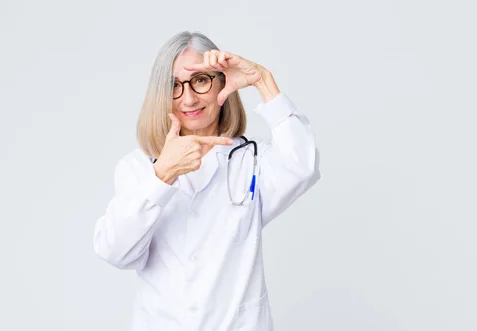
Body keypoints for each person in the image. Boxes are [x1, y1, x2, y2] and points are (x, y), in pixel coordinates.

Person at [93, 31, 321, 331]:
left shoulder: (250, 161)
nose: (188, 98)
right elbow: (116, 252)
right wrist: (162, 176)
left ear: (221, 83)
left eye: (200, 80)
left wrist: (263, 81)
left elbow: (303, 165)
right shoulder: (138, 168)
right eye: (174, 86)